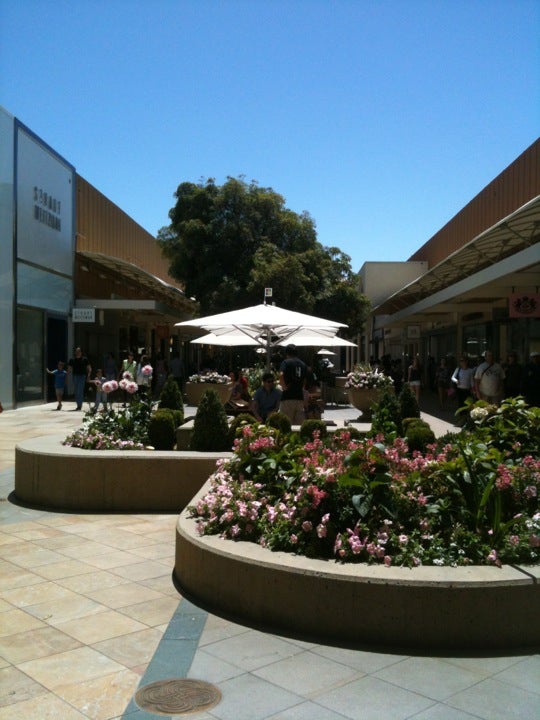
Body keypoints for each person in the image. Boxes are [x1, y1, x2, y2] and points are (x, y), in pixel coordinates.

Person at [279, 344, 307, 424]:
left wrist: (283, 387)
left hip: (287, 397)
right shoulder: (302, 364)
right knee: (298, 425)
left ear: (287, 353)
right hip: (299, 397)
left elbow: (281, 374)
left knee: (286, 424)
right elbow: (305, 379)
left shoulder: (286, 362)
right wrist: (301, 388)